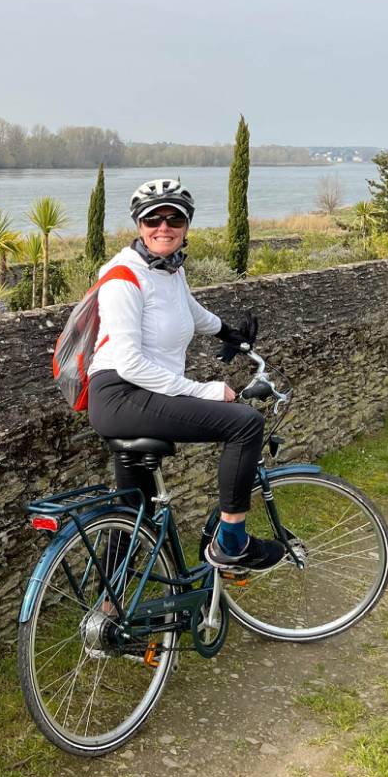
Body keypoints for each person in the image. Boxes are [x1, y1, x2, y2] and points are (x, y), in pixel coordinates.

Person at [86, 179, 285, 571]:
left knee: (132, 513)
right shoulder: (122, 278)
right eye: (153, 219)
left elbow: (188, 310)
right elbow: (128, 364)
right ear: (139, 226)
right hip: (121, 395)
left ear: (186, 225)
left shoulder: (168, 271)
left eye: (174, 218)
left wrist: (228, 331)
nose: (164, 227)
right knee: (245, 424)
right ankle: (231, 544)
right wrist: (204, 390)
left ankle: (109, 615)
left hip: (138, 398)